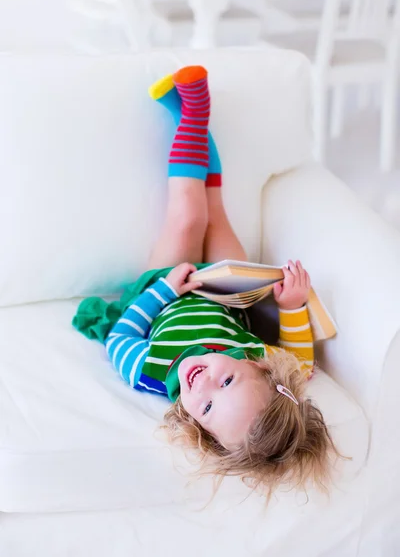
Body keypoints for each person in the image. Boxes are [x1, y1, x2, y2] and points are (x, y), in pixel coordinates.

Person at [105, 65, 338, 496]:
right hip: (225, 290)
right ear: (258, 368)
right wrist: (291, 308)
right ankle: (192, 116)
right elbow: (301, 366)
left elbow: (121, 334)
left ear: (199, 427)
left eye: (208, 407)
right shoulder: (261, 357)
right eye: (227, 381)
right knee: (214, 209)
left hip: (169, 287)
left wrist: (165, 290)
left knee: (189, 216)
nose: (203, 383)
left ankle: (192, 113)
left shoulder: (152, 373)